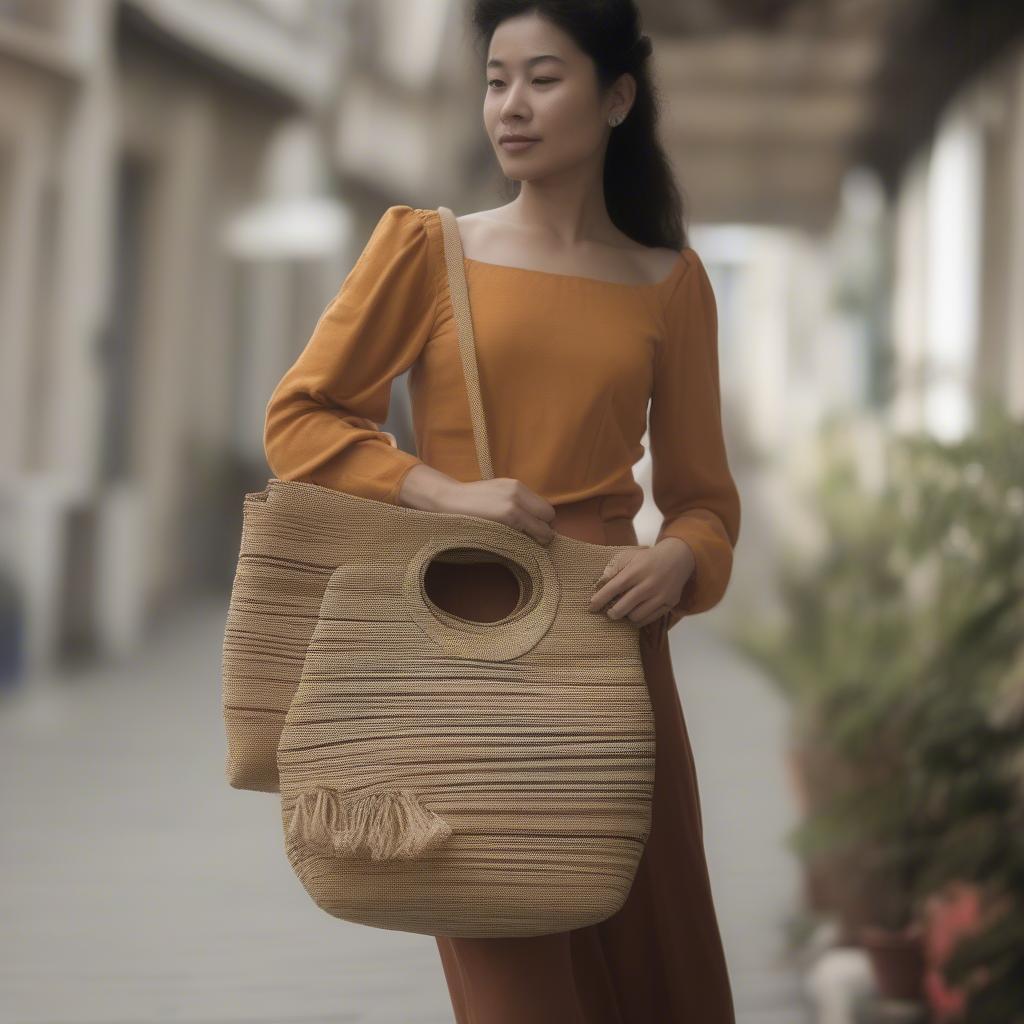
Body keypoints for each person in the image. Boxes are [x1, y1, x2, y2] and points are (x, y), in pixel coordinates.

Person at [262, 2, 741, 1020]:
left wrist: (682, 561)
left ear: (616, 98)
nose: (509, 106)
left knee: (659, 974)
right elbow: (300, 417)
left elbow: (705, 500)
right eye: (494, 80)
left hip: (614, 653)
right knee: (515, 984)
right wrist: (438, 489)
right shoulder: (426, 251)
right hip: (462, 637)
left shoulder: (671, 283)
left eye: (541, 78)